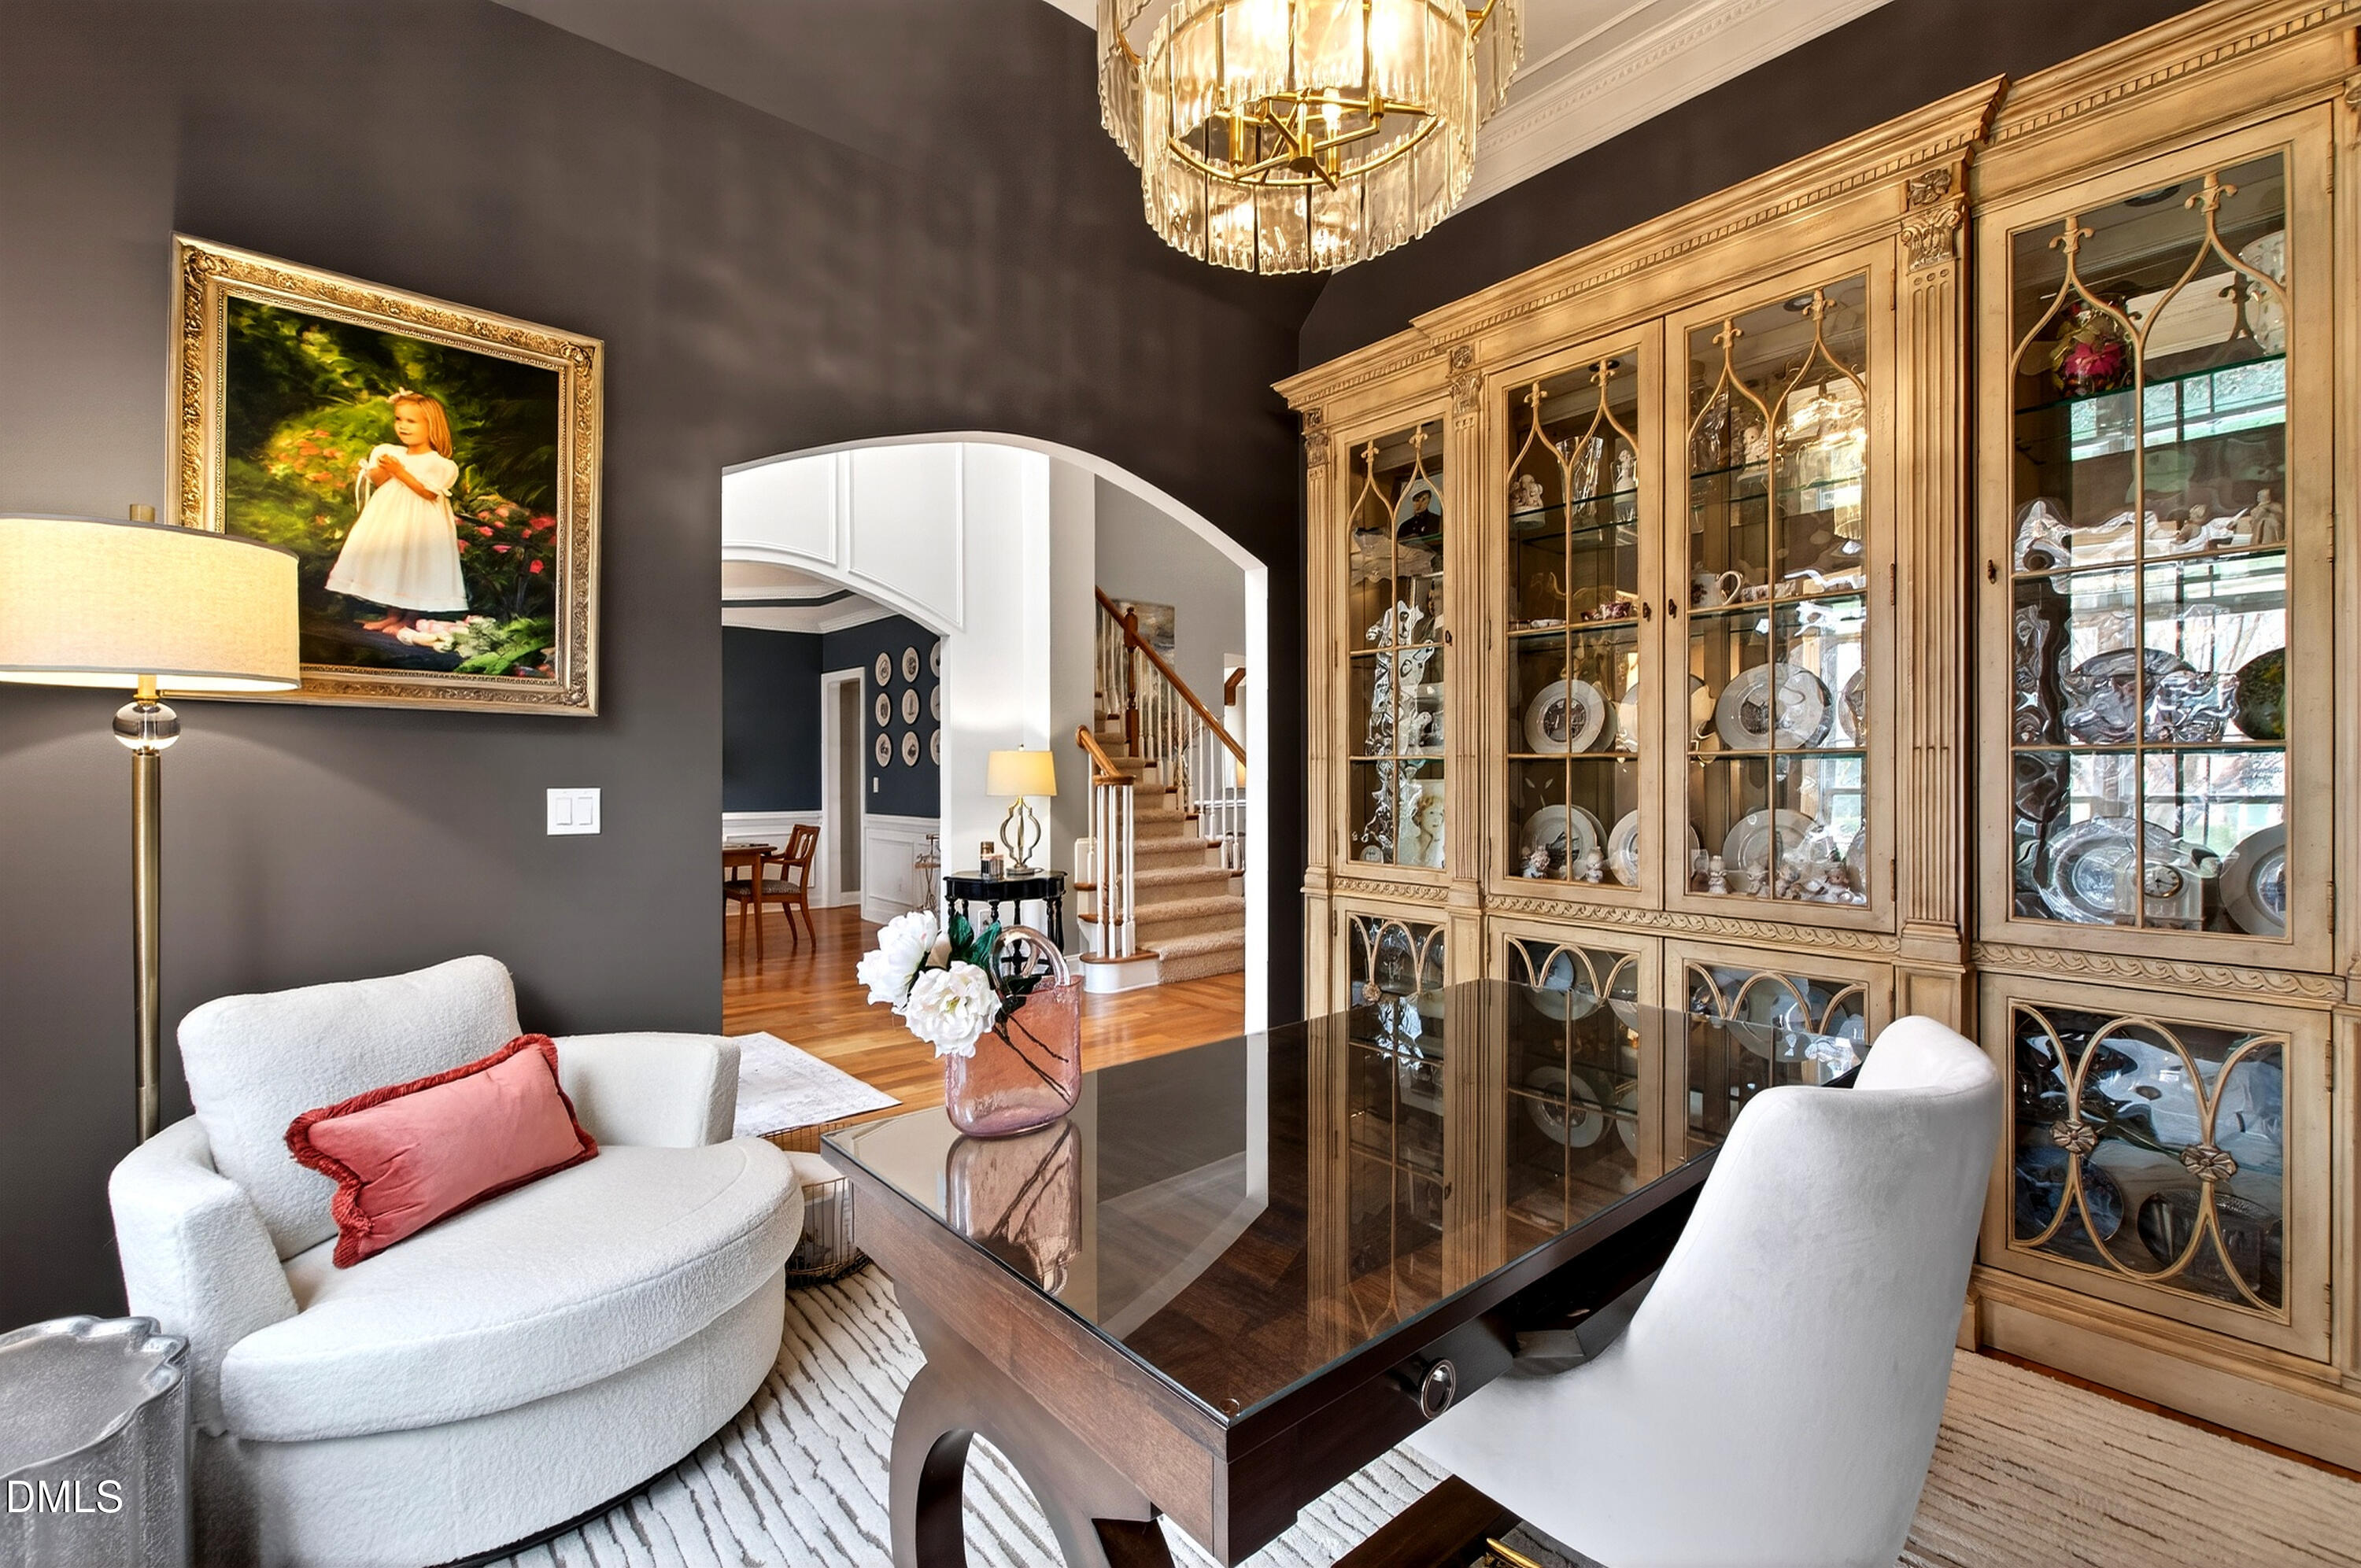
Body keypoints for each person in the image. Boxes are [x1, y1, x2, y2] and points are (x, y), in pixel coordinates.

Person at [327, 390, 467, 633]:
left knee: (414, 564)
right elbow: (381, 482)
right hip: (391, 517)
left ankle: (410, 618)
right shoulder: (390, 452)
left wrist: (400, 472)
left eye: (411, 421)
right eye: (398, 419)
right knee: (394, 562)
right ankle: (392, 615)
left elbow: (428, 493)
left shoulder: (439, 464)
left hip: (421, 522)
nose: (402, 426)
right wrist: (380, 469)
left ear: (431, 425)